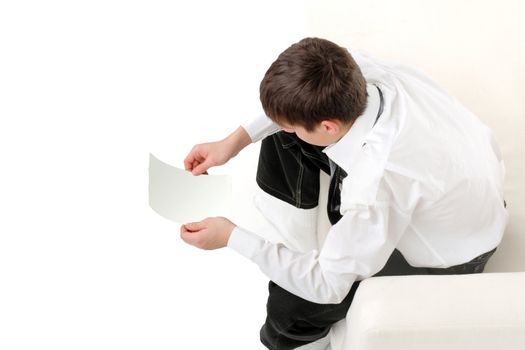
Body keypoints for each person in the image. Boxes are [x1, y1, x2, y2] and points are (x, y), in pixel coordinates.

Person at [180, 37, 507, 350]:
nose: (287, 128)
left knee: (290, 307)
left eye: (295, 124)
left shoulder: (376, 183)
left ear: (328, 127)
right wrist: (232, 143)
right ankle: (300, 239)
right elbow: (289, 111)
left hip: (455, 255)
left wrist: (232, 237)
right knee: (282, 137)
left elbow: (327, 286)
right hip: (466, 187)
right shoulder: (354, 70)